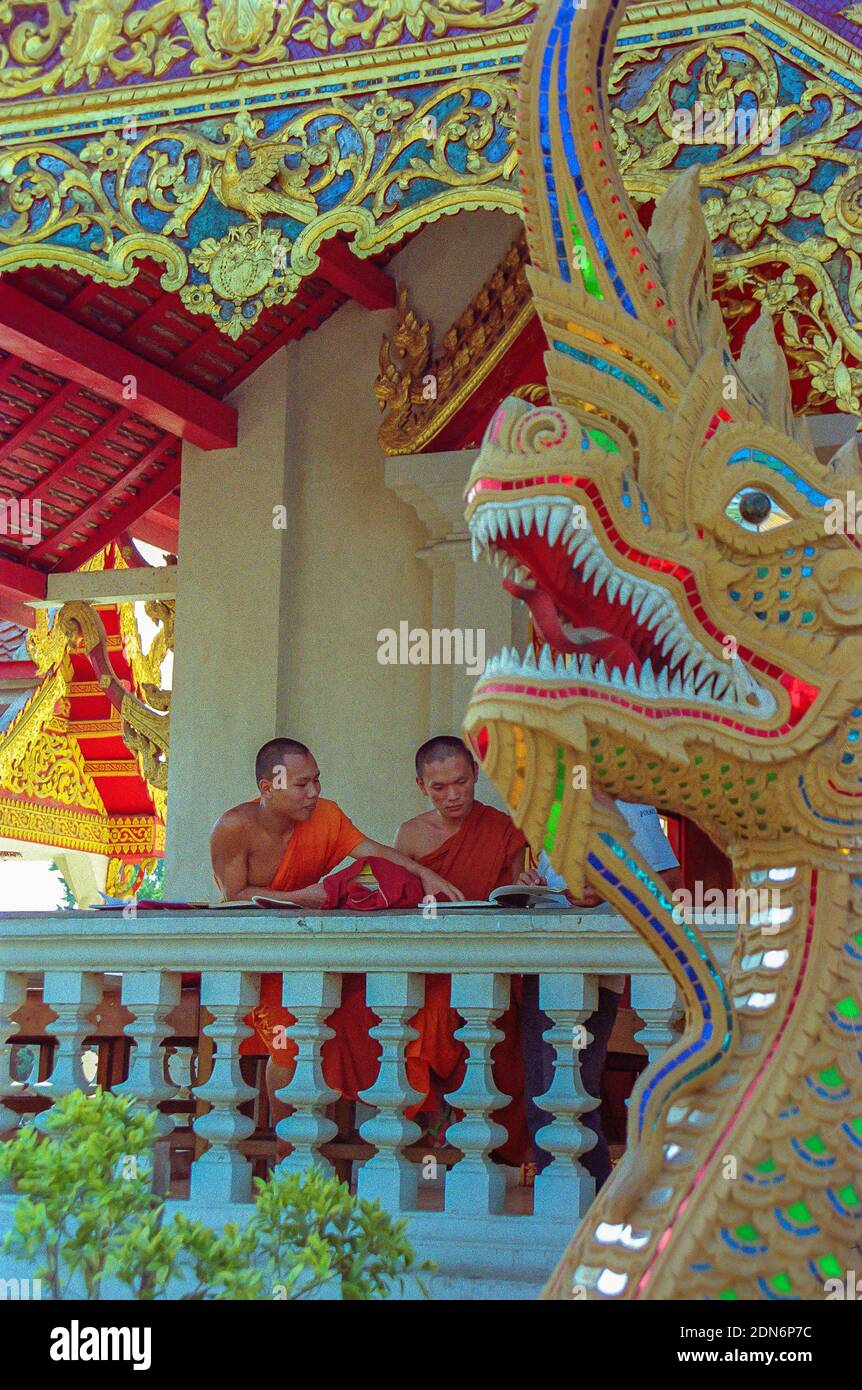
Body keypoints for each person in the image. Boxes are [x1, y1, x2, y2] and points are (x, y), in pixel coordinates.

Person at [210, 738, 464, 1137]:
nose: (314, 792)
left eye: (316, 781)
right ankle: (286, 1148)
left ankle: (329, 1141)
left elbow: (371, 853)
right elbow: (234, 898)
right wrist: (305, 898)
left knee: (355, 1021)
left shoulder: (325, 816)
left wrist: (423, 875)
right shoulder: (233, 827)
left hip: (313, 954)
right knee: (290, 1043)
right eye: (301, 784)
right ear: (267, 787)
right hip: (258, 960)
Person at [395, 735, 597, 1162]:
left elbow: (511, 890)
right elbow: (402, 909)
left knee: (500, 1040)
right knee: (427, 1023)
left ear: (475, 776)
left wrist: (526, 883)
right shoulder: (410, 836)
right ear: (420, 787)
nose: (453, 796)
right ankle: (437, 1135)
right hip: (433, 965)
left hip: (491, 965)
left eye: (462, 782)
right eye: (439, 787)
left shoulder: (503, 828)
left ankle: (490, 1152)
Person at [524, 799, 683, 1186]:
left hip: (595, 962)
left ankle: (585, 1189)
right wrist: (530, 884)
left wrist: (607, 891)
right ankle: (560, 1187)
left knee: (572, 1081)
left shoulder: (631, 808)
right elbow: (547, 874)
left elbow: (671, 883)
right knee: (540, 1084)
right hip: (544, 952)